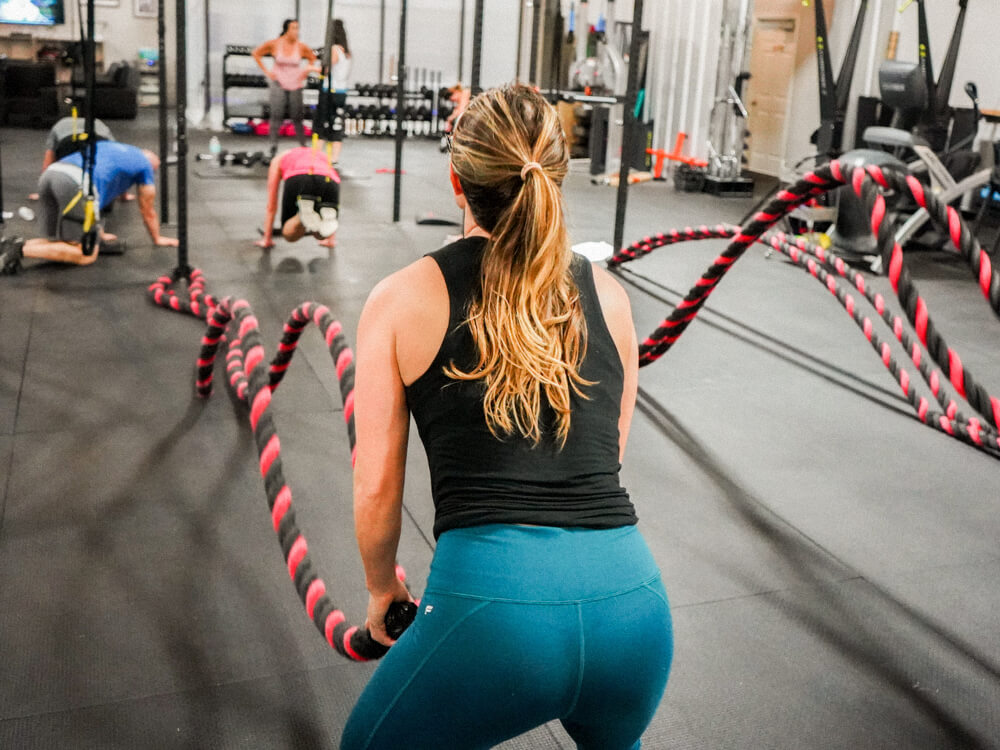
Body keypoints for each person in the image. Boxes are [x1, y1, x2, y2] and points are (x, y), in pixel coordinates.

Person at [343, 84, 672, 748]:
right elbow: (606, 460)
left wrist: (382, 589)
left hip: (498, 621)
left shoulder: (400, 299)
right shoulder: (609, 295)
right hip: (636, 615)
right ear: (555, 174)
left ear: (457, 181)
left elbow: (377, 485)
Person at [0, 141, 177, 274]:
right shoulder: (145, 166)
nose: (152, 174)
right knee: (86, 254)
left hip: (52, 174)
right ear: (153, 164)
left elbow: (95, 200)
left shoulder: (115, 150)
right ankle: (19, 250)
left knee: (58, 240)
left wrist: (97, 232)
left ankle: (10, 244)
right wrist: (157, 238)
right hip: (75, 182)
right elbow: (147, 209)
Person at [254, 142, 339, 250]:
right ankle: (322, 224)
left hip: (298, 176)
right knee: (322, 232)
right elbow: (332, 172)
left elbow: (272, 205)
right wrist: (330, 240)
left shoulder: (279, 158)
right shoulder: (319, 154)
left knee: (289, 235)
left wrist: (267, 239)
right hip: (329, 179)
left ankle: (301, 215)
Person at [253, 19, 320, 154]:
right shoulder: (275, 44)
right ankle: (273, 146)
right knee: (276, 115)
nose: (296, 31)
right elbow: (256, 53)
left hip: (295, 83)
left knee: (297, 116)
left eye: (297, 28)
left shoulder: (301, 46)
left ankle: (303, 146)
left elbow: (312, 57)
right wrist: (267, 72)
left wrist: (305, 72)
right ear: (287, 30)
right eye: (293, 28)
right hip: (278, 82)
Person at [27, 115, 117, 201]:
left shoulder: (60, 124)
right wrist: (122, 194)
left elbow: (49, 159)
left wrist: (42, 193)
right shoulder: (99, 123)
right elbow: (117, 159)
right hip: (95, 146)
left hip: (67, 147)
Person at [327, 19, 352, 164]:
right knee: (336, 124)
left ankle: (321, 157)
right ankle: (334, 158)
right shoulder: (347, 52)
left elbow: (326, 70)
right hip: (341, 92)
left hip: (331, 91)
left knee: (325, 125)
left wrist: (310, 69)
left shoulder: (334, 50)